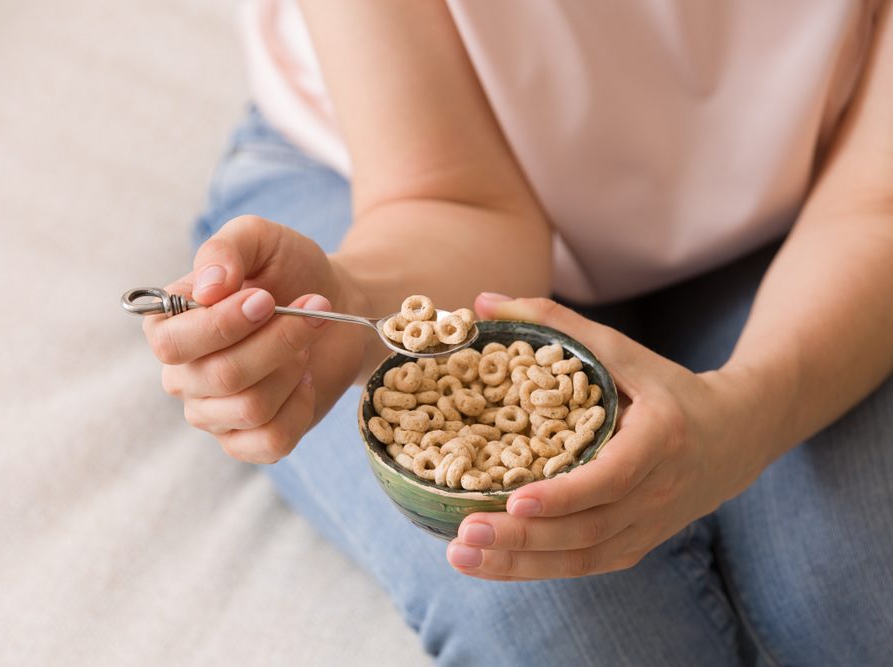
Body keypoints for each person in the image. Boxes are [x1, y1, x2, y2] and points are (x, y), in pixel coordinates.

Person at [141, 2, 893, 664]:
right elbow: (450, 196)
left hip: (802, 180)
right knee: (573, 635)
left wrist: (748, 413)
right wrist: (349, 297)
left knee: (861, 611)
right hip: (392, 177)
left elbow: (877, 199)